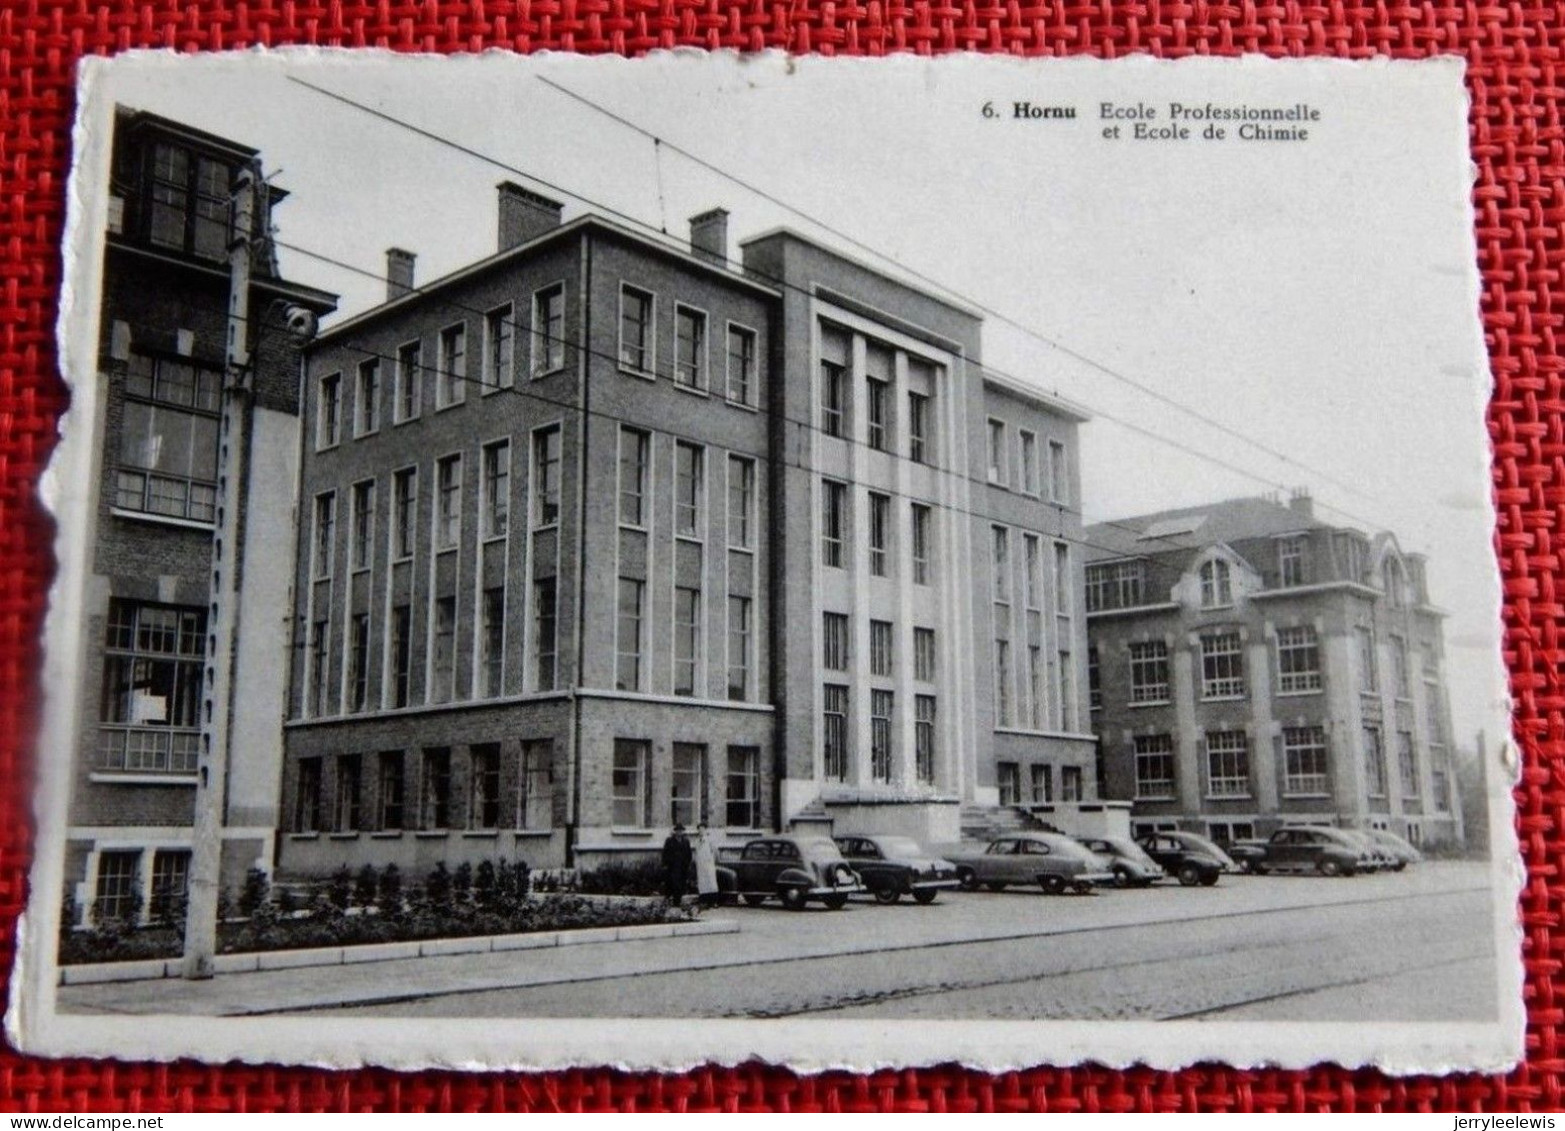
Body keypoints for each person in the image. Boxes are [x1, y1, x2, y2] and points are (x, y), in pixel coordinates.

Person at [661, 823, 693, 905]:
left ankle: (678, 900)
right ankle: (674, 901)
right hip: (672, 866)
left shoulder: (686, 841)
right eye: (678, 831)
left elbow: (689, 853)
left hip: (682, 866)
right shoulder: (669, 840)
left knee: (681, 883)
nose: (679, 832)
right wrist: (665, 864)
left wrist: (688, 863)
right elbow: (665, 853)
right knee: (673, 883)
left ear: (683, 832)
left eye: (681, 831)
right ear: (675, 831)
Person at [693, 823, 720, 909]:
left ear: (705, 830)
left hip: (709, 864)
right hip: (701, 866)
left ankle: (714, 901)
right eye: (699, 829)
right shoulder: (697, 841)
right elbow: (696, 852)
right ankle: (704, 902)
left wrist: (714, 862)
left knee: (711, 883)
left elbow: (715, 852)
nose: (701, 831)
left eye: (702, 829)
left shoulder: (710, 840)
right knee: (702, 883)